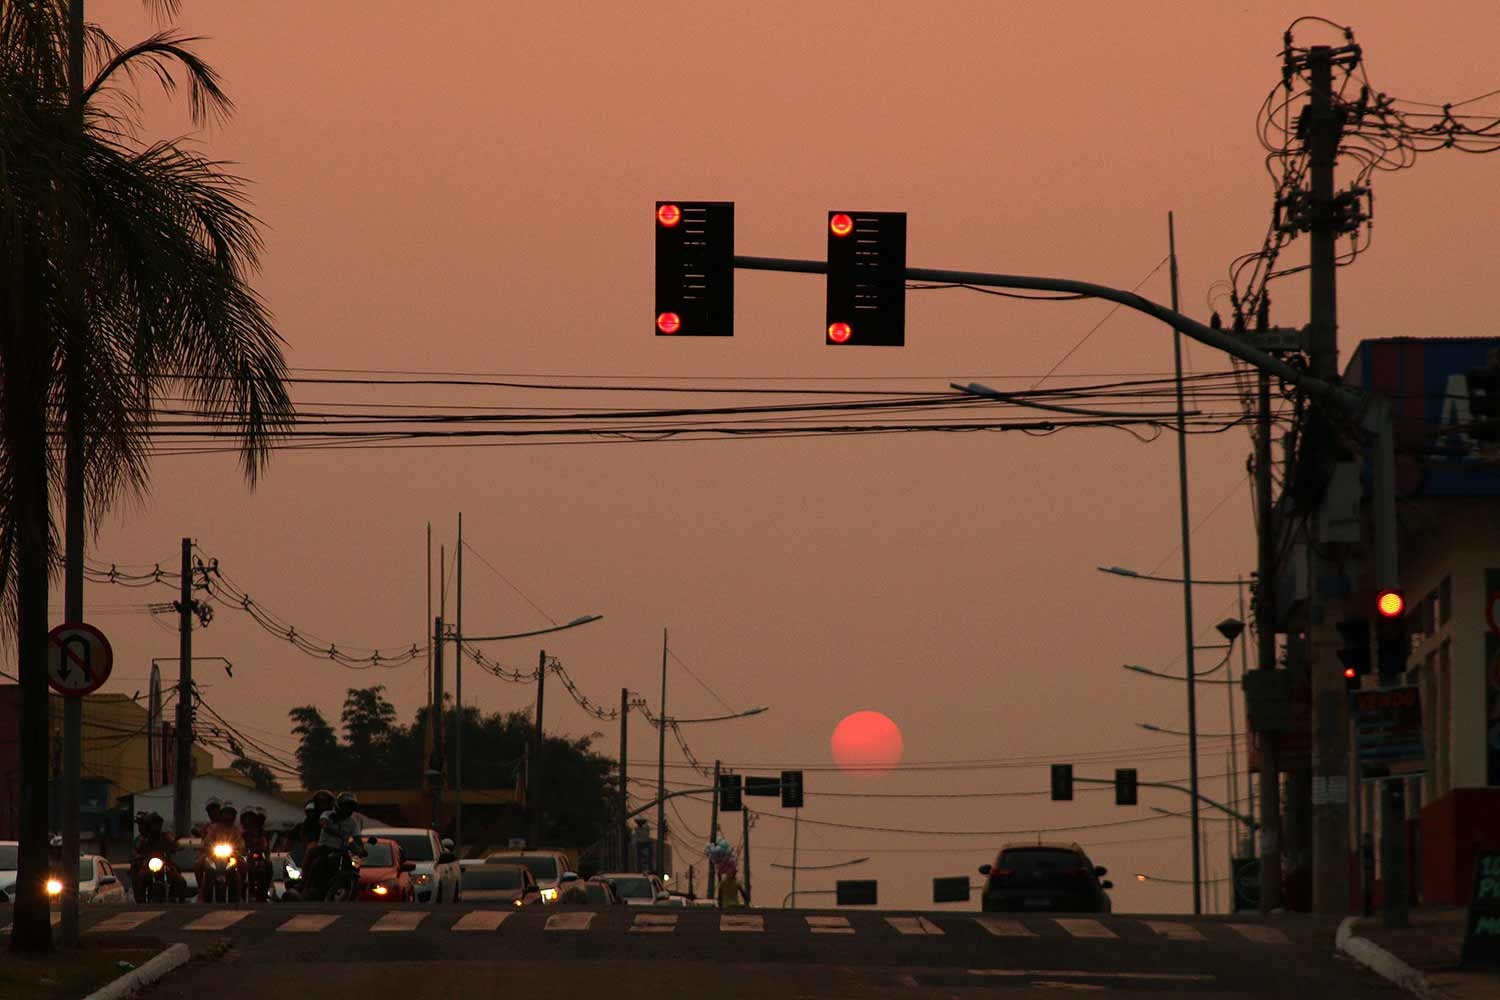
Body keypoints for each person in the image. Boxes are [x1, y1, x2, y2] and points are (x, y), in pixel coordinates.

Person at [131, 812, 185, 902]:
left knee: (180, 881)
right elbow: (135, 851)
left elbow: (175, 844)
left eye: (157, 824)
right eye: (153, 824)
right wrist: (138, 856)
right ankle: (140, 902)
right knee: (140, 877)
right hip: (148, 866)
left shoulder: (166, 836)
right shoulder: (143, 839)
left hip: (165, 865)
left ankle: (178, 900)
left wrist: (175, 846)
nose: (155, 826)